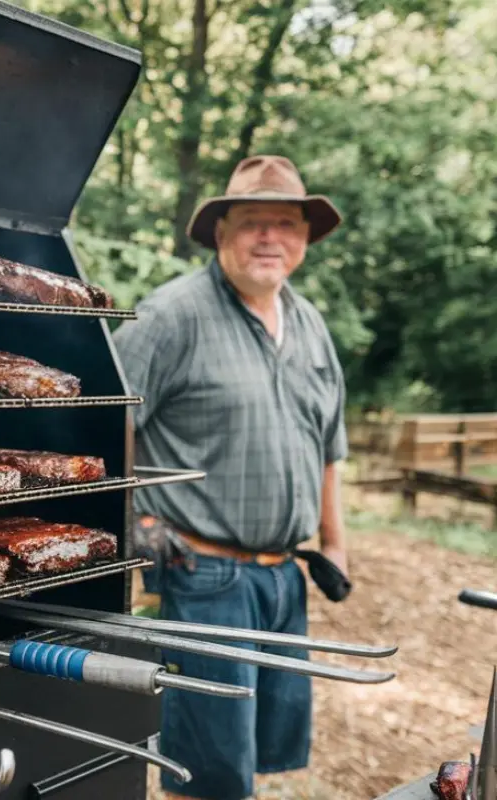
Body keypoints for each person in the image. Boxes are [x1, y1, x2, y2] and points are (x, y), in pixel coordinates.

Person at [110, 155, 350, 800]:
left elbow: (329, 446)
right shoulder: (169, 316)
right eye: (252, 223)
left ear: (304, 238)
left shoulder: (310, 325)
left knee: (257, 751)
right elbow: (105, 430)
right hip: (202, 575)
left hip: (283, 578)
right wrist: (136, 522)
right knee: (206, 764)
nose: (270, 237)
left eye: (286, 223)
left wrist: (334, 547)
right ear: (220, 233)